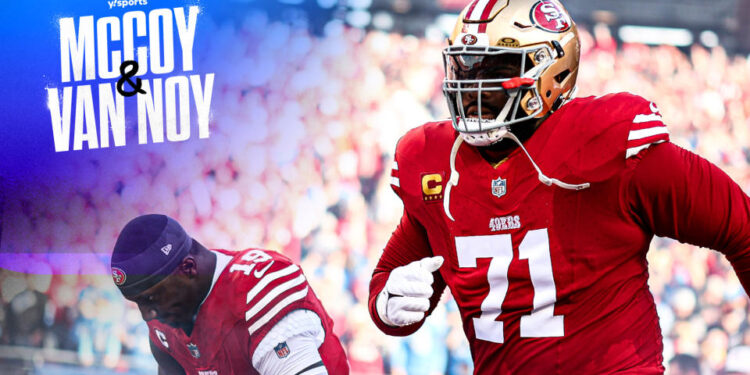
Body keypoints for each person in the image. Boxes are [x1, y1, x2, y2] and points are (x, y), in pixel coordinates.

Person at [367, 0, 750, 373]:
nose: (473, 88)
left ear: (552, 73)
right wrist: (387, 304)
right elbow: (391, 287)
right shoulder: (435, 162)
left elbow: (741, 227)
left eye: (495, 68)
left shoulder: (610, 143)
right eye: (465, 67)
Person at [110, 214, 349, 375]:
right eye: (138, 302)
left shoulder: (258, 288)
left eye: (152, 298)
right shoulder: (166, 318)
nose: (146, 314)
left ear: (188, 269)